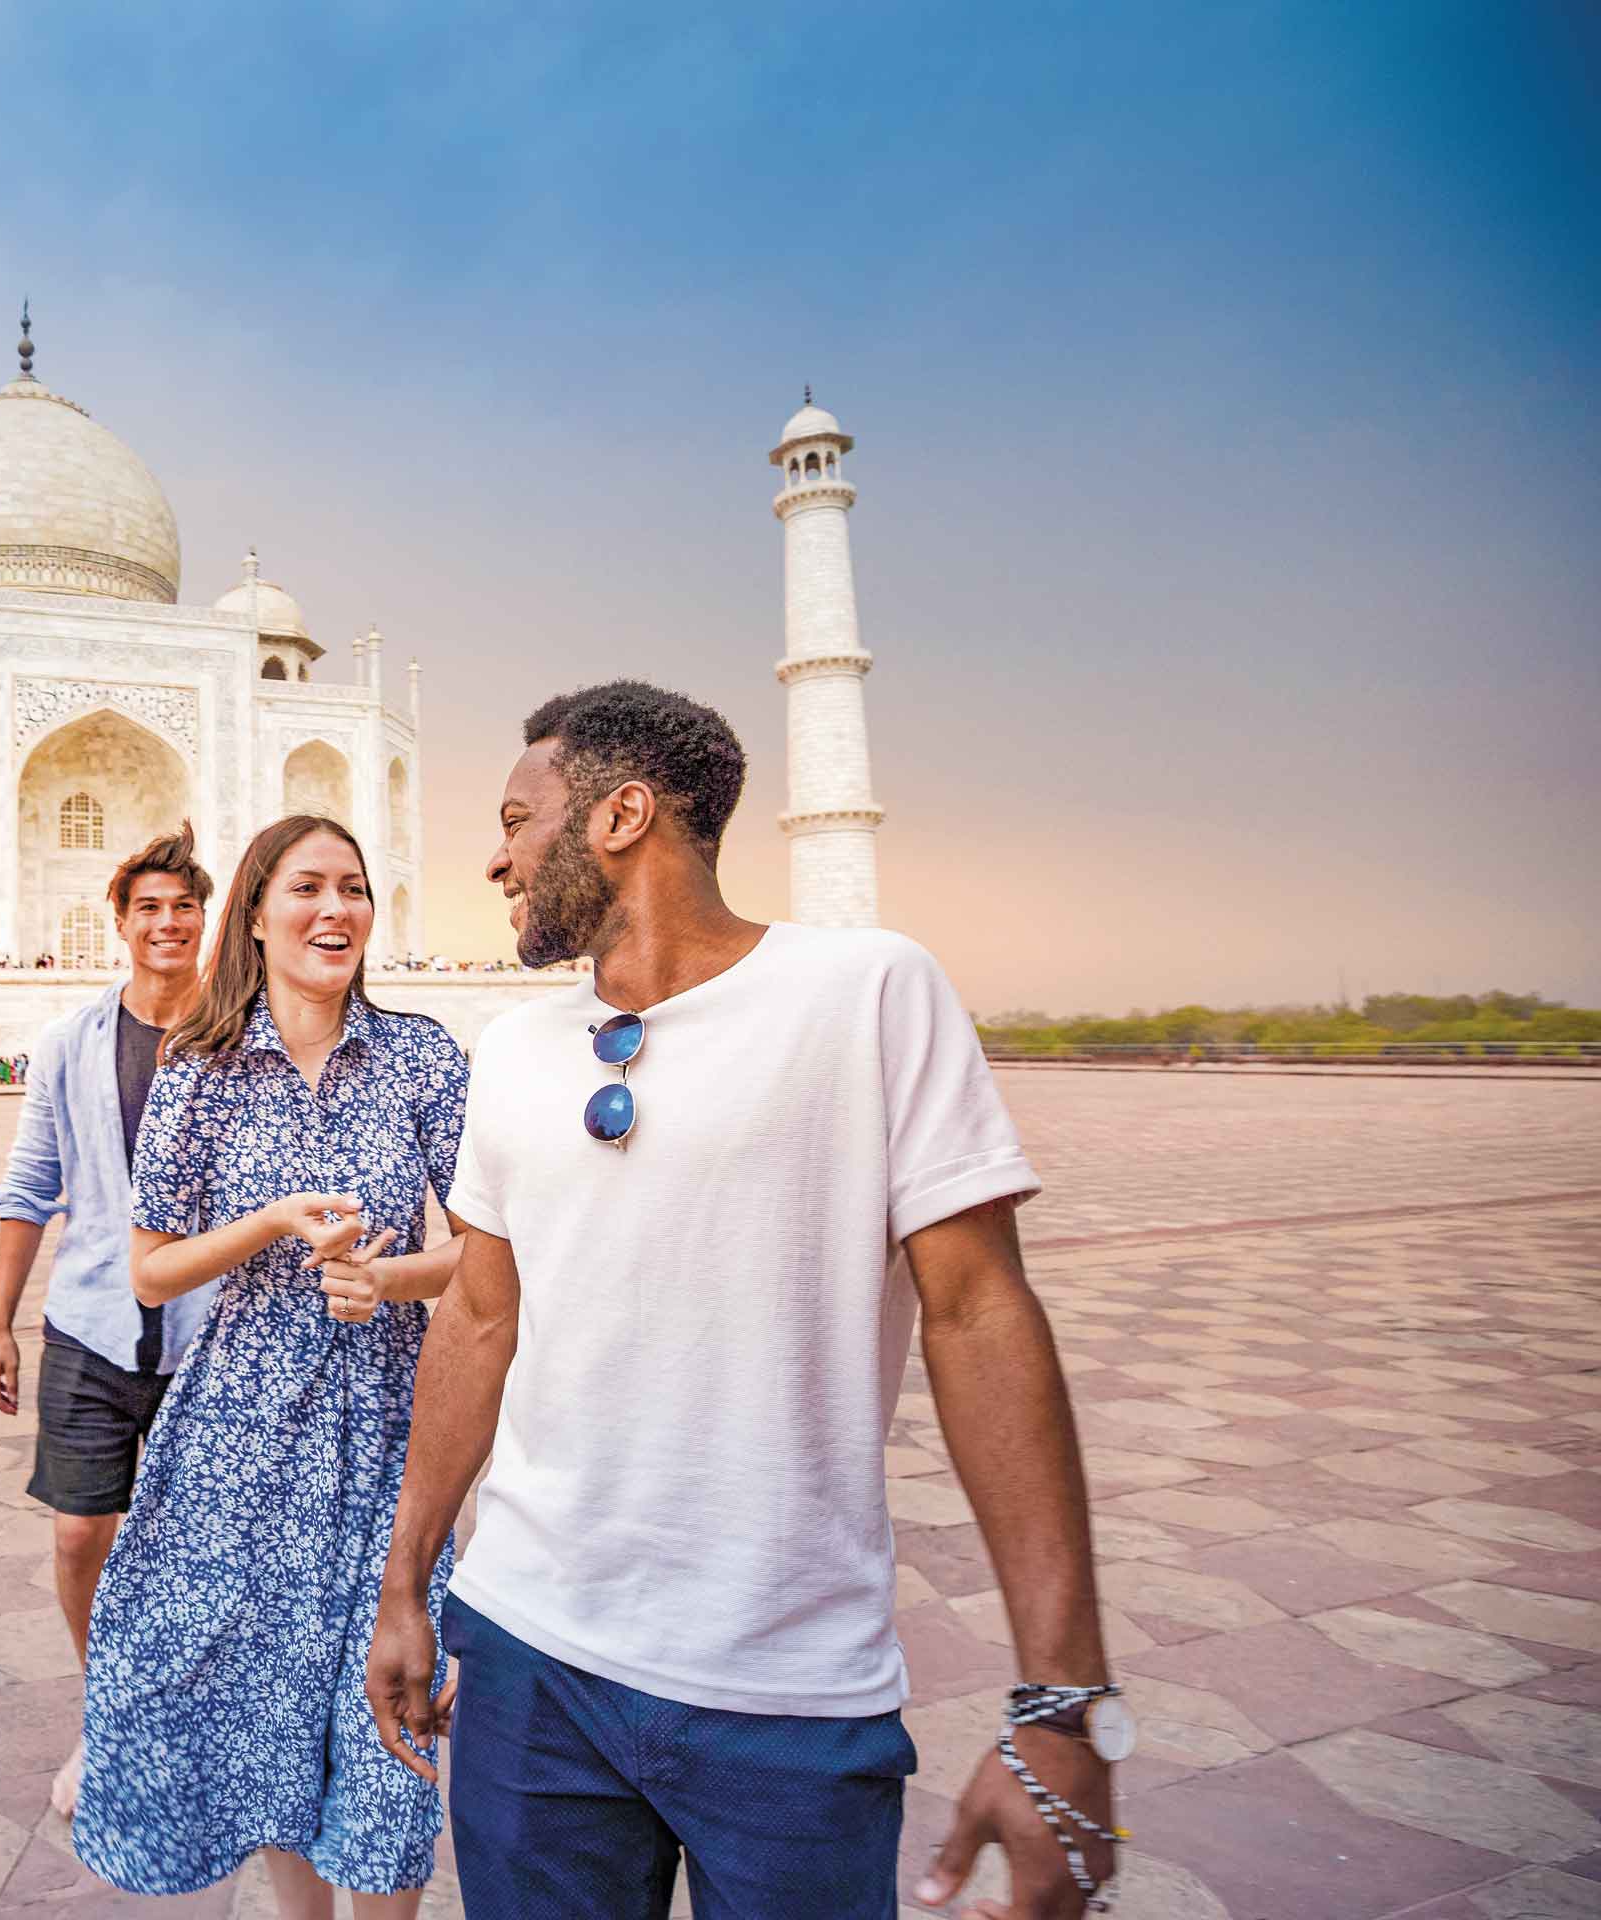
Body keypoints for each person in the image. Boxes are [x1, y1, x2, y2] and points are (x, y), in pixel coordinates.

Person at [364, 681, 1104, 1920]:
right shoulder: (515, 1052)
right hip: (527, 1659)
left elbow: (978, 1316)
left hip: (783, 1687)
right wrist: (407, 1582)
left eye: (518, 818)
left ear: (622, 817)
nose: (495, 857)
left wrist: (1063, 1703)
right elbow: (481, 1320)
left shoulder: (865, 992)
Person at [72, 816, 468, 1918]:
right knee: (266, 1710)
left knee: (392, 1714)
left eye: (354, 889)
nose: (334, 910)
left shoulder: (420, 1058)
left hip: (389, 1431)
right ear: (256, 911)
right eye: (307, 888)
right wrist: (271, 1224)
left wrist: (394, 1283)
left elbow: (490, 1249)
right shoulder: (197, 1068)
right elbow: (149, 1273)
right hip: (240, 1442)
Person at [0, 823, 217, 1820]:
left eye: (183, 907)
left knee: (204, 1546)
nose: (167, 923)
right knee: (82, 1533)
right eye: (149, 908)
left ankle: (202, 1719)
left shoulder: (244, 1032)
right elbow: (32, 1181)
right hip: (90, 1324)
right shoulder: (71, 1042)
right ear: (118, 923)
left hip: (212, 1336)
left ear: (207, 920)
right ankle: (112, 1711)